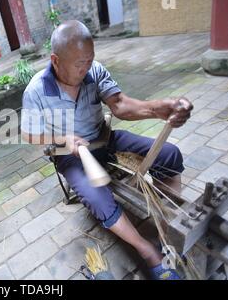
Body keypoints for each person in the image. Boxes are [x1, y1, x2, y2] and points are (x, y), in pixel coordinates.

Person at [20, 20, 193, 280]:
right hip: (70, 155)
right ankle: (147, 251)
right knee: (98, 198)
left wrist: (159, 108)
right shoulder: (36, 90)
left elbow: (120, 105)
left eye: (90, 60)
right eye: (80, 63)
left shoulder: (95, 71)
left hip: (105, 140)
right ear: (56, 61)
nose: (87, 67)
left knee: (170, 155)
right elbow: (30, 134)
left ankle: (163, 229)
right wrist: (64, 139)